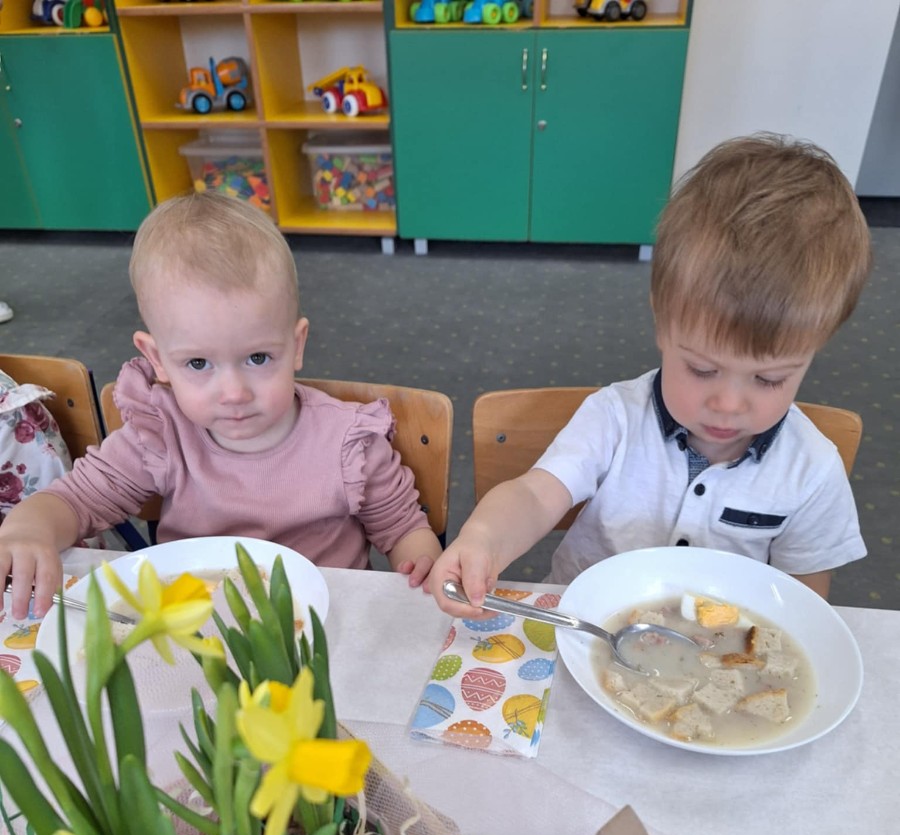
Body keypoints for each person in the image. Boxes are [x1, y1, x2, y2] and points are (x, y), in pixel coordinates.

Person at [430, 133, 871, 616]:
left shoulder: (811, 470)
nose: (728, 404)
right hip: (581, 624)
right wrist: (484, 537)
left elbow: (803, 604)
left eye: (769, 380)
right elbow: (536, 495)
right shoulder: (614, 418)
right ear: (661, 323)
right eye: (702, 369)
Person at [0, 193, 441, 620]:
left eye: (258, 358)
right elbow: (76, 501)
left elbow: (403, 529)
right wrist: (29, 528)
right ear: (157, 359)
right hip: (197, 629)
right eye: (198, 363)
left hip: (325, 626)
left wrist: (420, 563)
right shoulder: (160, 435)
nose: (233, 393)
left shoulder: (349, 442)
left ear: (296, 345)